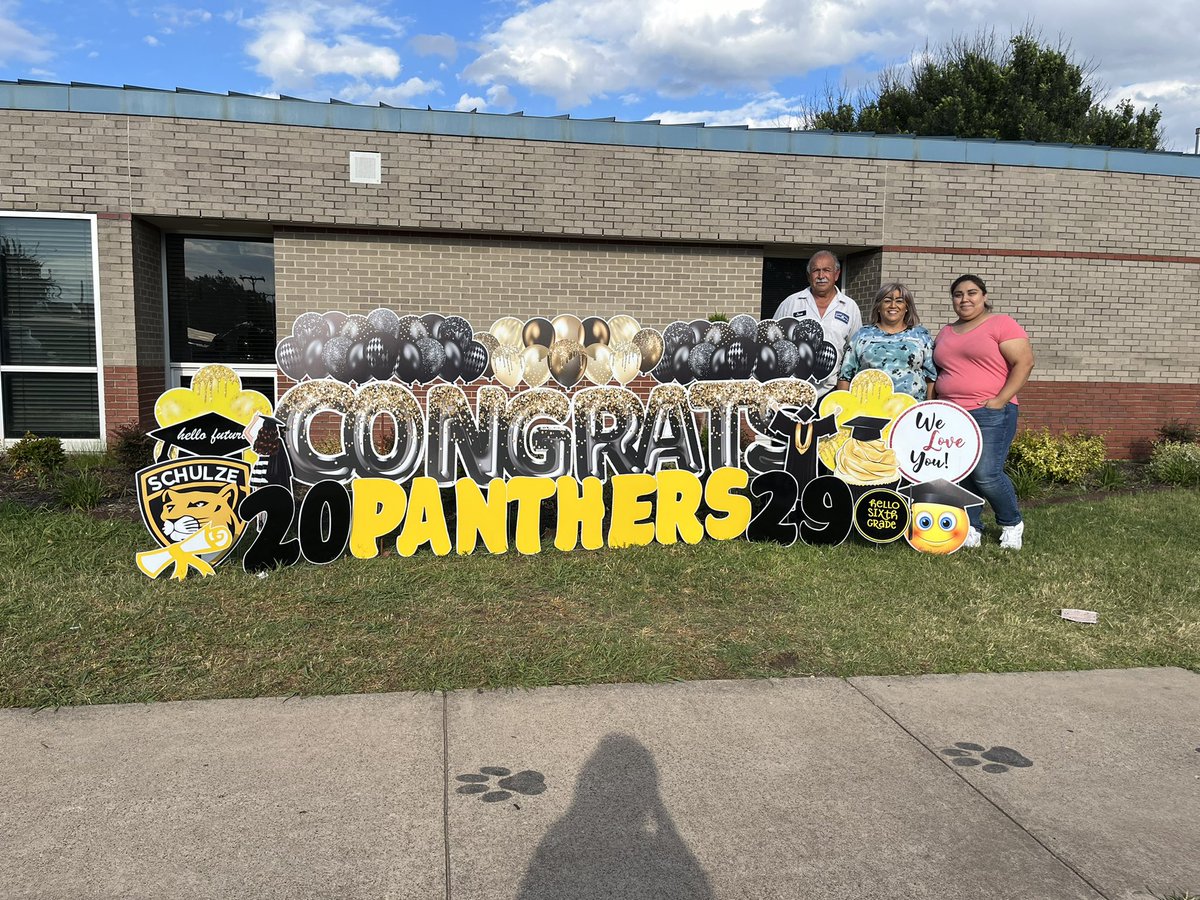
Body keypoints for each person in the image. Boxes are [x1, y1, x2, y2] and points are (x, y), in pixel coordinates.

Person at [933, 275, 1034, 550]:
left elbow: (1024, 362)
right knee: (962, 474)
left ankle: (1011, 523)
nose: (964, 299)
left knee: (986, 473)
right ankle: (972, 527)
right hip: (952, 414)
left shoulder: (1001, 323)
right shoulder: (946, 331)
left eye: (972, 293)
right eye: (958, 294)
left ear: (984, 296)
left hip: (990, 412)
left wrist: (1000, 400)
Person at [774, 250, 861, 391]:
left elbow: (854, 351)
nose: (821, 276)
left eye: (826, 270)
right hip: (793, 388)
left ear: (836, 274)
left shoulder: (850, 307)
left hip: (833, 388)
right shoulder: (791, 303)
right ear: (809, 276)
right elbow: (774, 342)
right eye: (816, 271)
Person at [836, 282, 937, 400]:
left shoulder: (921, 335)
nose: (893, 305)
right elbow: (845, 376)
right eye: (887, 301)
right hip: (869, 407)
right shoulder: (862, 335)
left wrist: (929, 407)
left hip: (911, 407)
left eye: (899, 301)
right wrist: (845, 405)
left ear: (907, 307)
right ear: (878, 307)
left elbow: (931, 377)